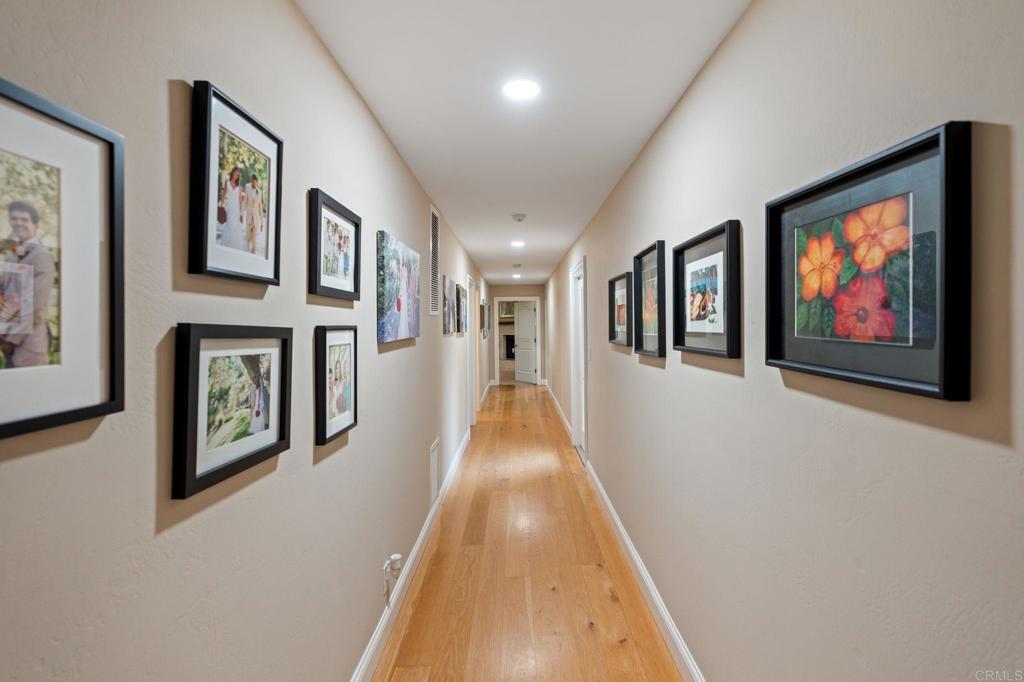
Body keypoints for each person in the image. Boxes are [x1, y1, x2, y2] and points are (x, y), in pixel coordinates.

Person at [0, 201, 55, 368]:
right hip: (8, 340)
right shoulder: (11, 255)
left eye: (24, 219)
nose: (18, 223)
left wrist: (11, 340)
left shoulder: (42, 256)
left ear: (36, 225)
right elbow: (5, 295)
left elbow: (36, 307)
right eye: (14, 218)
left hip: (30, 344)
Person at [219, 167, 244, 250]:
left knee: (235, 226)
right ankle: (227, 244)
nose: (235, 175)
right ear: (232, 173)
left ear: (238, 176)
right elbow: (223, 194)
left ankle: (234, 245)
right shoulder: (227, 182)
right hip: (229, 207)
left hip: (236, 209)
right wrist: (221, 205)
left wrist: (241, 213)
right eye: (235, 173)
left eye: (237, 174)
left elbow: (240, 200)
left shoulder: (240, 187)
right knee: (228, 224)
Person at [243, 173, 264, 255]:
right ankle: (247, 254)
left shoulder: (260, 192)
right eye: (252, 182)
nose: (254, 184)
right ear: (251, 180)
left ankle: (253, 253)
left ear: (257, 182)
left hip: (256, 220)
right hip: (249, 218)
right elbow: (245, 201)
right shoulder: (247, 187)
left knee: (254, 240)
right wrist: (241, 213)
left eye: (255, 182)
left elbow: (260, 208)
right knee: (247, 239)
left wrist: (262, 223)